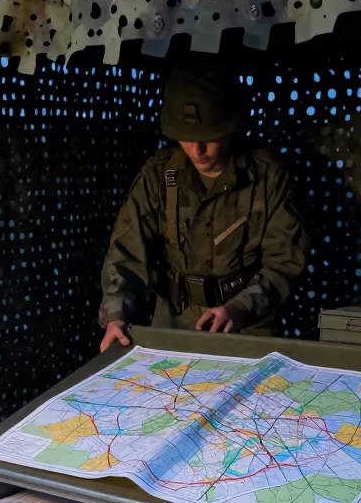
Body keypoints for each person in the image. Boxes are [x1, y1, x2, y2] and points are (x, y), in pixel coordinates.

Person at [98, 58, 308, 351]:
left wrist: (240, 307)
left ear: (231, 128)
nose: (197, 150)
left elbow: (285, 263)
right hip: (173, 323)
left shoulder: (266, 176)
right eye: (187, 137)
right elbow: (127, 251)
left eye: (209, 138)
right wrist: (116, 315)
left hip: (245, 326)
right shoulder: (159, 175)